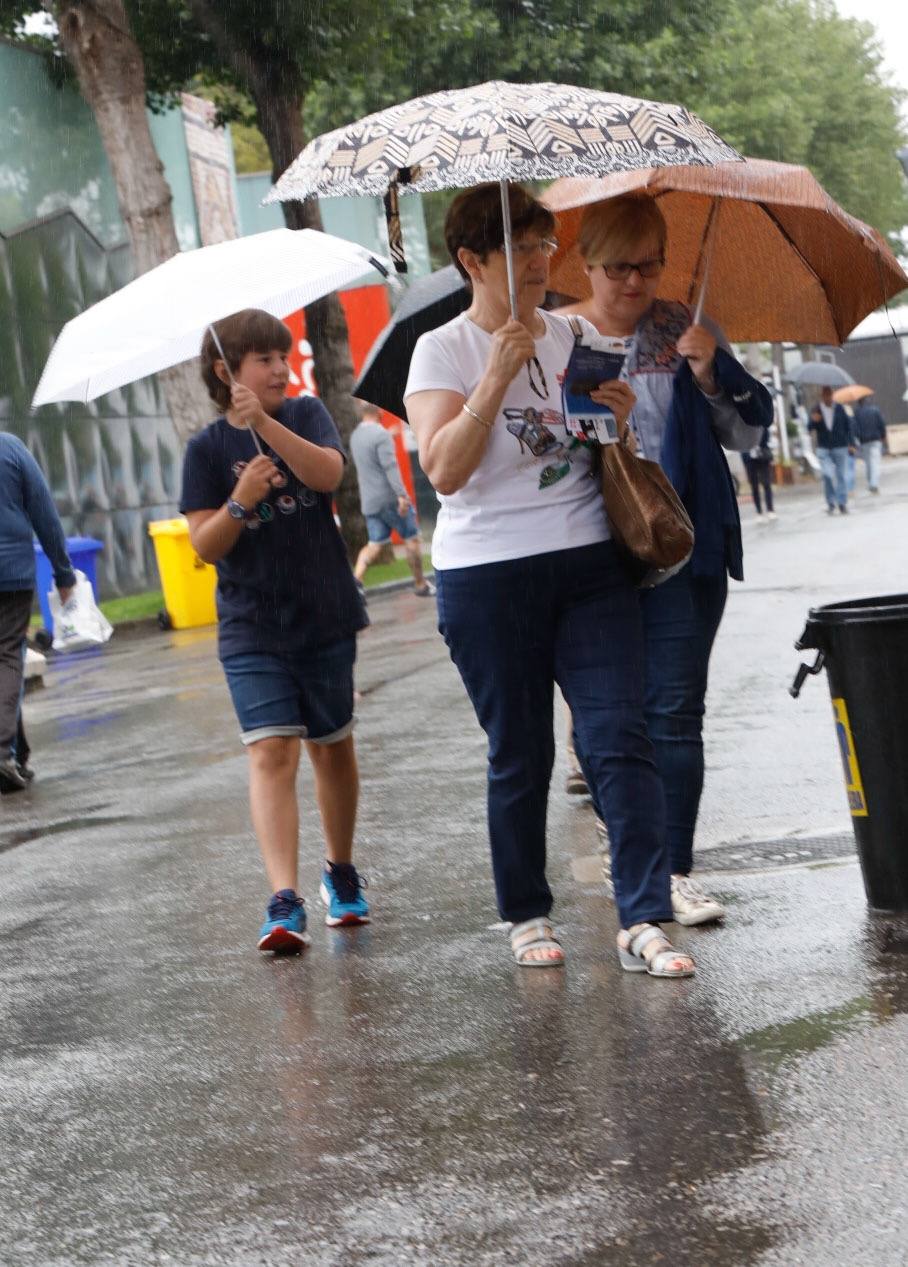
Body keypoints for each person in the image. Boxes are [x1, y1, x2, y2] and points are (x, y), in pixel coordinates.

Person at [405, 182, 694, 977]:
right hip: (487, 575)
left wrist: (618, 412)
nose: (542, 260)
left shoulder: (575, 331)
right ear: (473, 259)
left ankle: (642, 914)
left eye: (545, 245)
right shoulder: (443, 350)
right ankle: (527, 912)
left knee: (617, 734)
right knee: (521, 751)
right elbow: (445, 471)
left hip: (590, 561)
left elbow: (598, 442)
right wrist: (496, 377)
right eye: (524, 248)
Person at [554, 195, 772, 927]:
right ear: (588, 262)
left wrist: (714, 374)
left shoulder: (685, 328)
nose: (637, 283)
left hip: (683, 543)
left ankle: (672, 870)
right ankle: (632, 847)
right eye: (620, 267)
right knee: (609, 721)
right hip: (590, 546)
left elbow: (745, 433)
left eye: (650, 265)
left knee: (676, 712)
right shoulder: (560, 337)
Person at [180, 309, 370, 954]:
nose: (281, 369)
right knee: (271, 751)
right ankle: (283, 900)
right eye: (264, 360)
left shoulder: (306, 414)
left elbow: (327, 474)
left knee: (331, 746)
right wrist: (241, 500)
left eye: (283, 357)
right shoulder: (205, 451)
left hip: (323, 613)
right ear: (225, 370)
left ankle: (339, 871)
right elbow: (206, 545)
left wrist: (263, 426)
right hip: (251, 625)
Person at [0, 432, 75, 792]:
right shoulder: (10, 448)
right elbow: (43, 510)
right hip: (11, 572)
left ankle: (15, 754)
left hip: (12, 571)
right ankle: (4, 753)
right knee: (7, 656)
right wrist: (62, 571)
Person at [349, 403, 435, 597]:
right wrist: (402, 496)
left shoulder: (356, 436)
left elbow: (370, 456)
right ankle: (421, 584)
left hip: (370, 501)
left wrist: (389, 434)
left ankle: (357, 581)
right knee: (411, 539)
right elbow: (390, 467)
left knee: (374, 544)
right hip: (390, 499)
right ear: (379, 412)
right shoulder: (381, 435)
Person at [808, 386, 855, 514]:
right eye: (825, 395)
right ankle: (831, 501)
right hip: (824, 447)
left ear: (832, 395)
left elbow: (848, 426)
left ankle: (842, 503)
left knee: (841, 475)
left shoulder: (839, 408)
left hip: (840, 445)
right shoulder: (816, 409)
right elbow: (809, 427)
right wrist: (813, 421)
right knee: (827, 475)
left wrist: (851, 443)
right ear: (822, 396)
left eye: (830, 395)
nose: (828, 398)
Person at [852, 393, 887, 493]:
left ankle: (871, 482)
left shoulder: (856, 412)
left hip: (864, 441)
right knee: (875, 462)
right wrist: (883, 435)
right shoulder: (875, 410)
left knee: (868, 463)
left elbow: (855, 427)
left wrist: (858, 436)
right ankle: (873, 484)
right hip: (876, 439)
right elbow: (881, 423)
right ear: (867, 400)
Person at [742, 426, 776, 520]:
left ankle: (770, 510)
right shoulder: (742, 425)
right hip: (749, 459)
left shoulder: (761, 423)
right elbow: (741, 443)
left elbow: (766, 437)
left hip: (763, 457)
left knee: (766, 483)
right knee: (754, 486)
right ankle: (759, 512)